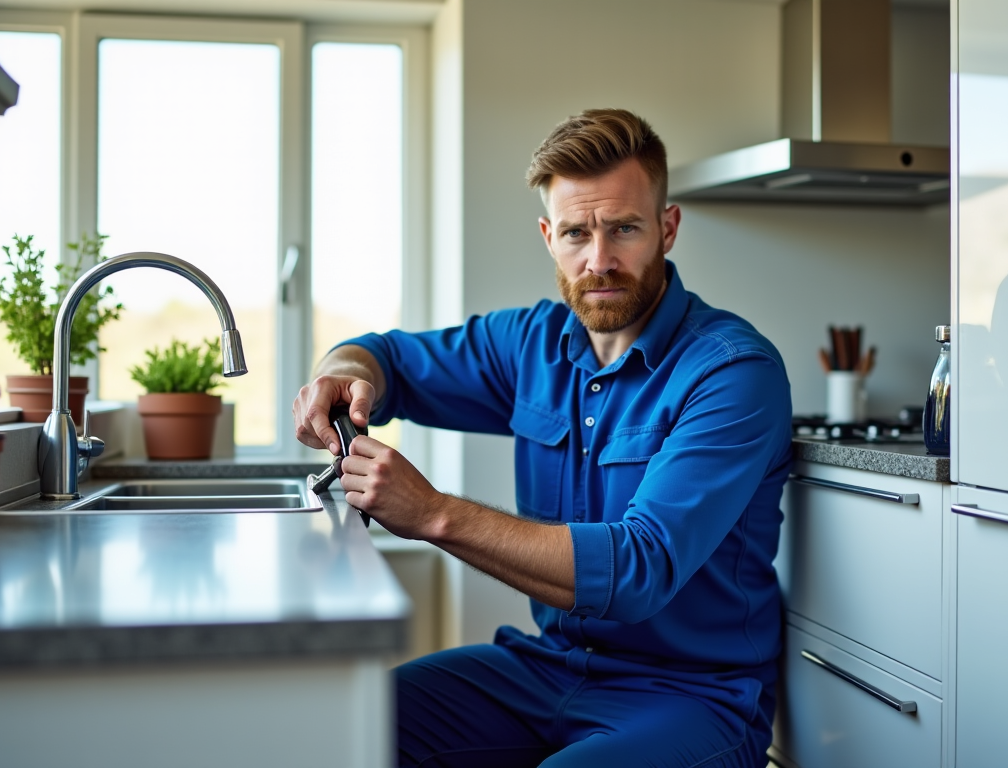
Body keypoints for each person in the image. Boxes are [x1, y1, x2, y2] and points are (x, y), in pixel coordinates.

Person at [292, 108, 793, 767]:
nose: (599, 259)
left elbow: (640, 568)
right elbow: (385, 357)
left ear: (667, 229)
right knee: (343, 731)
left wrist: (435, 514)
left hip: (692, 697)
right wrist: (342, 376)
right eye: (576, 232)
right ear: (546, 236)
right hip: (545, 669)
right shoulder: (530, 344)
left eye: (624, 230)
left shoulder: (733, 372)